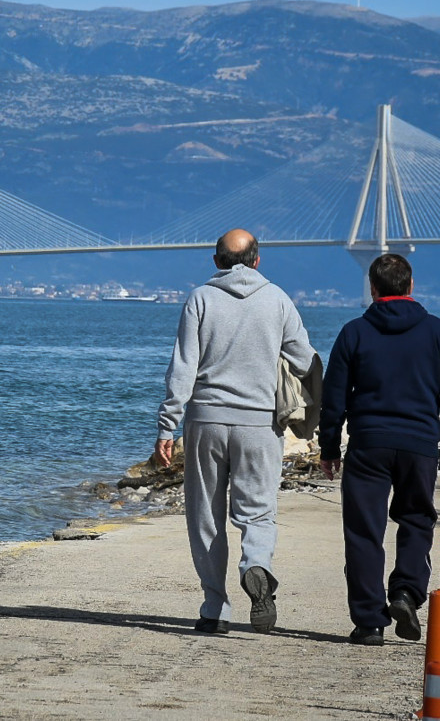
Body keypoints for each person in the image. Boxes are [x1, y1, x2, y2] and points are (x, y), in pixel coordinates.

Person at [154, 228, 315, 636]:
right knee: (257, 510)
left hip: (206, 421)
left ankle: (214, 607)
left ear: (216, 261)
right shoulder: (278, 300)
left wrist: (167, 426)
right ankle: (257, 566)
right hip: (260, 424)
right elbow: (306, 361)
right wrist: (315, 417)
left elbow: (183, 368)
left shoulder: (200, 299)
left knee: (206, 515)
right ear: (258, 260)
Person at [318, 253, 440, 647]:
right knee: (417, 520)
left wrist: (330, 447)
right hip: (419, 444)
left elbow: (333, 397)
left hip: (368, 444)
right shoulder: (436, 331)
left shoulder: (353, 332)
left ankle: (369, 623)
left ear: (373, 288)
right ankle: (405, 592)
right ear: (411, 286)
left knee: (364, 532)